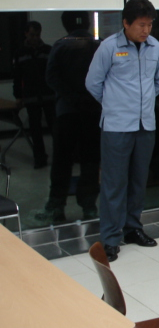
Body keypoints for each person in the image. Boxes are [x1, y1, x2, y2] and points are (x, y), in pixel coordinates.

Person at [86, 0, 159, 262]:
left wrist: (142, 105)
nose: (146, 30)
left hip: (145, 125)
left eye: (149, 25)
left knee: (138, 181)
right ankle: (110, 239)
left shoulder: (155, 47)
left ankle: (133, 229)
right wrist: (115, 104)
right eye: (141, 25)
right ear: (126, 23)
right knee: (114, 183)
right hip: (117, 126)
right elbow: (93, 83)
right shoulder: (109, 47)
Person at [33, 11, 102, 225]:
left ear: (65, 25)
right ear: (89, 23)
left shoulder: (60, 45)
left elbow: (51, 77)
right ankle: (89, 207)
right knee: (90, 160)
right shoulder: (99, 45)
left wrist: (72, 98)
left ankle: (56, 207)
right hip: (93, 111)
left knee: (62, 161)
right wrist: (91, 98)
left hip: (67, 112)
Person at [13, 21, 56, 169]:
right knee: (35, 130)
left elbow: (54, 73)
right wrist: (18, 96)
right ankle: (40, 158)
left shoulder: (48, 50)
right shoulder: (20, 53)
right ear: (26, 34)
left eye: (37, 35)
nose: (35, 38)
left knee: (55, 128)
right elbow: (17, 77)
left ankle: (60, 157)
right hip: (31, 96)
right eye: (32, 35)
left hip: (48, 95)